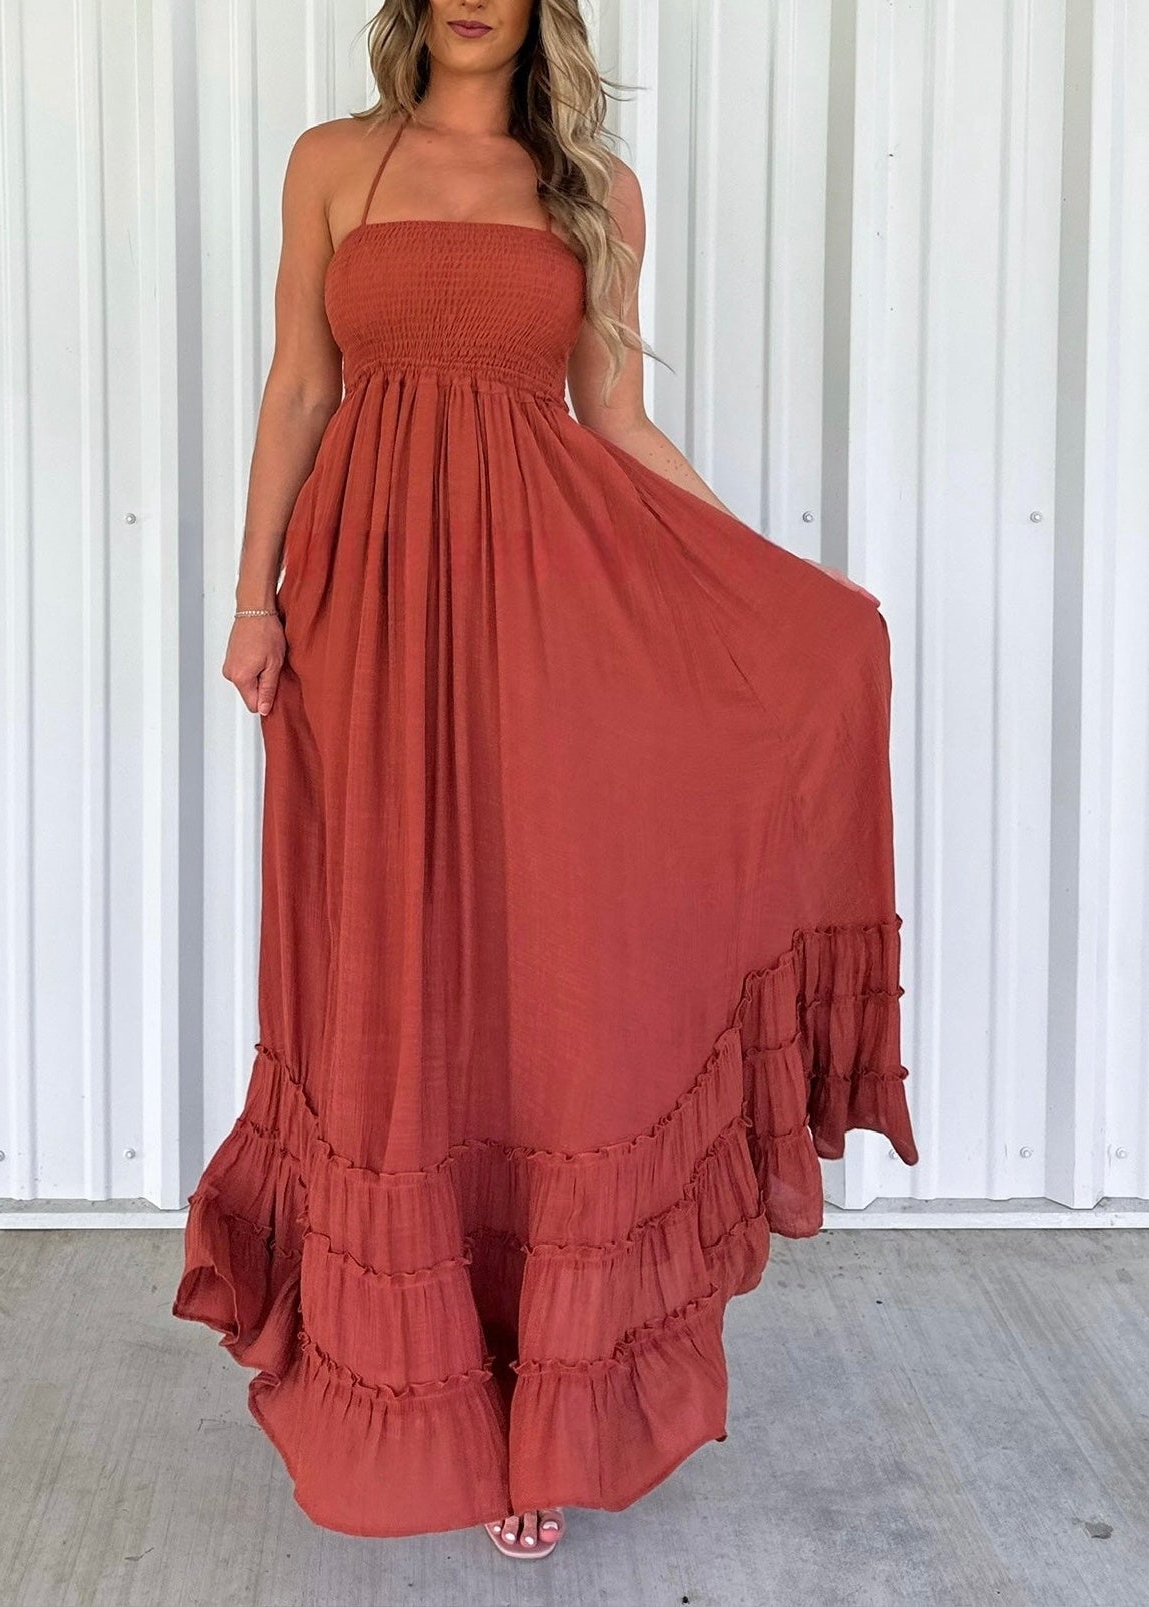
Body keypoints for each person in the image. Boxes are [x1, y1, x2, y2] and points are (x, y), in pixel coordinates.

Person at [173, 0, 920, 1560]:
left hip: (539, 622)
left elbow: (617, 423)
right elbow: (300, 387)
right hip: (364, 616)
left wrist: (774, 587)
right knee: (386, 979)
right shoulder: (332, 162)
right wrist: (253, 598)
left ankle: (535, 1403)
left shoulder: (594, 188)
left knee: (536, 979)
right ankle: (411, 1381)